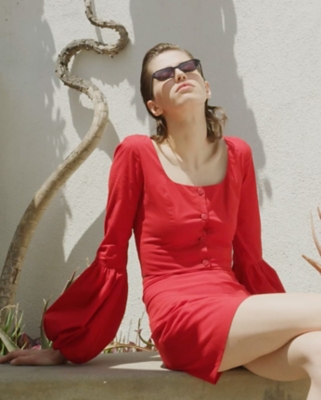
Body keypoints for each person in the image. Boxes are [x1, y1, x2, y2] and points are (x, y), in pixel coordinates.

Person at [1, 42, 320, 398]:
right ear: (154, 106)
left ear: (207, 86)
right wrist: (68, 346)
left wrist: (274, 323)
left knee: (318, 353)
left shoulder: (240, 156)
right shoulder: (136, 154)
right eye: (164, 74)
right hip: (181, 316)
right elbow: (112, 253)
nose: (180, 74)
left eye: (188, 66)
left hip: (235, 310)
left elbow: (249, 258)